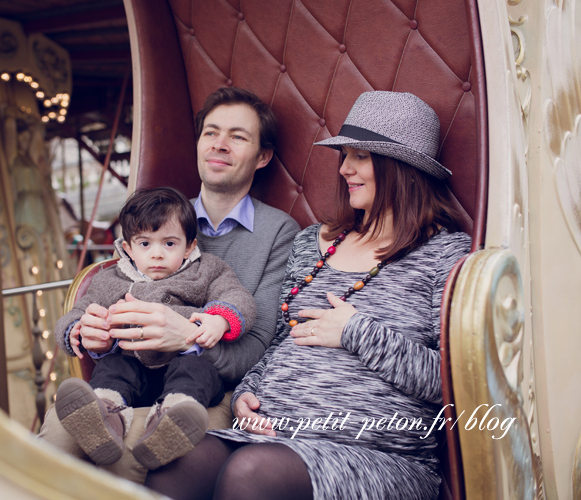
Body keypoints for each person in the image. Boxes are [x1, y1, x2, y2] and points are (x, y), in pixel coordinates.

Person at [145, 91, 473, 500]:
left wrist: (355, 331)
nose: (345, 169)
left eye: (360, 156)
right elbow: (281, 342)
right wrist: (249, 392)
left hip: (375, 452)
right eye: (344, 156)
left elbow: (456, 382)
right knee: (177, 462)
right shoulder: (312, 243)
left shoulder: (448, 254)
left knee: (252, 474)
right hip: (277, 433)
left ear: (402, 167)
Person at [39, 87, 300, 478]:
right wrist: (85, 332)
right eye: (210, 132)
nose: (220, 144)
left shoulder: (279, 232)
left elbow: (260, 346)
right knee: (54, 441)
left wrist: (188, 338)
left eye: (238, 136)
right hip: (128, 370)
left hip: (207, 384)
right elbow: (110, 292)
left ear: (262, 156)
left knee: (129, 454)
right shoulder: (156, 218)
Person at [53, 187, 256, 470]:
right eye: (145, 244)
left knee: (197, 371)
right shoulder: (108, 280)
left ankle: (172, 421)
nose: (157, 254)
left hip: (185, 363)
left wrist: (218, 320)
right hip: (133, 370)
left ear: (189, 246)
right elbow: (78, 312)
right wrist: (79, 328)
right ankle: (105, 415)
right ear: (128, 248)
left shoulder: (207, 269)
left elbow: (238, 297)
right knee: (113, 368)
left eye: (169, 244)